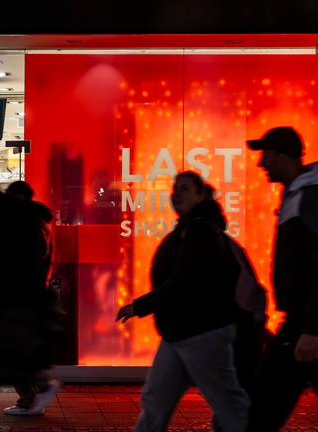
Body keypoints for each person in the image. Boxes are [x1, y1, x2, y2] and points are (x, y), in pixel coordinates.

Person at [116, 171, 250, 432]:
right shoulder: (191, 228)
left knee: (227, 403)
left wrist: (139, 306)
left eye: (185, 189)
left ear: (201, 195)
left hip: (202, 331)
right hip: (181, 332)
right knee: (156, 398)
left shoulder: (200, 231)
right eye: (175, 188)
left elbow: (183, 282)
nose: (177, 194)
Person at [245, 126, 318, 431]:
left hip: (304, 324)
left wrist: (312, 329)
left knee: (264, 409)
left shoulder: (309, 198)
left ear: (281, 157)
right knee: (265, 406)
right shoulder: (298, 193)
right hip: (301, 322)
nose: (261, 163)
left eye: (266, 155)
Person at [1, 181, 62, 416]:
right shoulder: (33, 222)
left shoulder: (29, 225)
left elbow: (27, 261)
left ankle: (34, 394)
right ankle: (32, 396)